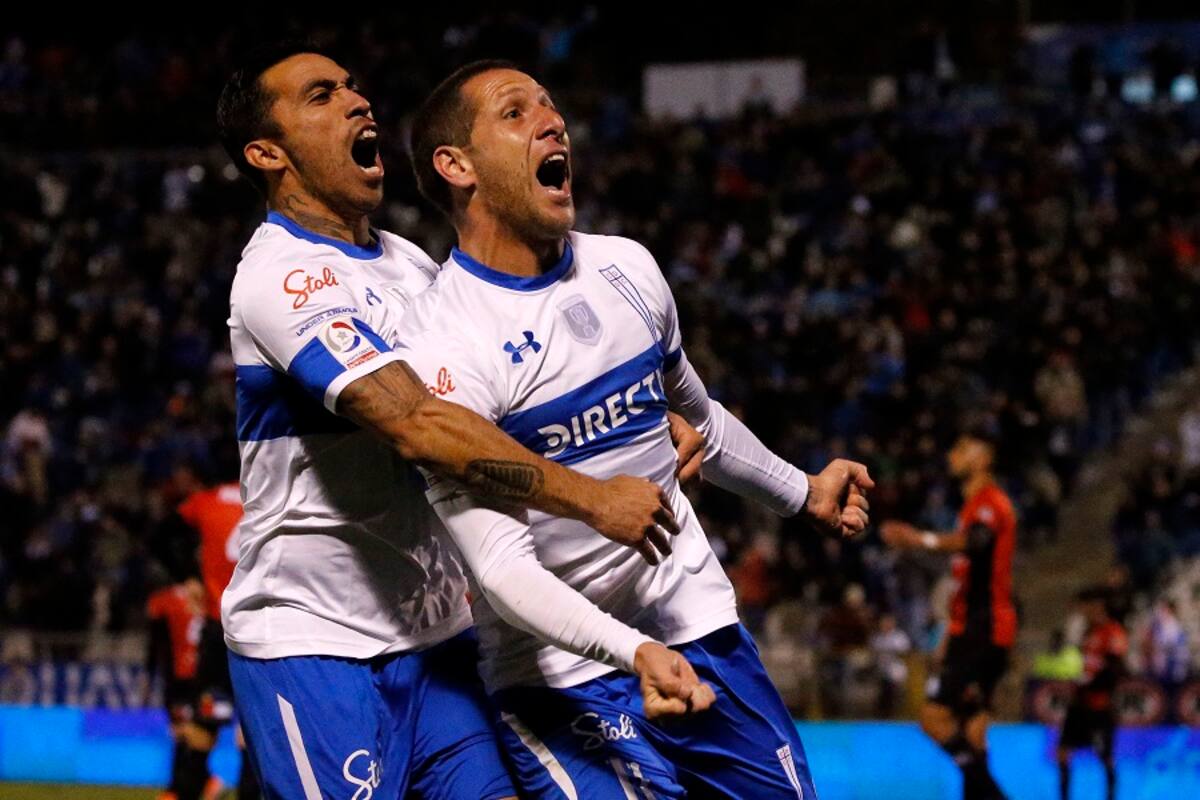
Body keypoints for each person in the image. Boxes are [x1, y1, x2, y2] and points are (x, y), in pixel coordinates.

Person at [216, 41, 711, 800]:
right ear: (266, 152)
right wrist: (591, 494)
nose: (357, 101)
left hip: (438, 640)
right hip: (313, 644)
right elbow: (417, 423)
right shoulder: (282, 277)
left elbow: (499, 399)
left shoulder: (411, 265)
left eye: (353, 86)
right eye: (321, 95)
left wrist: (644, 428)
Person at [400, 59, 874, 798]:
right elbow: (501, 569)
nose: (553, 120)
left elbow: (697, 421)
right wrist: (633, 651)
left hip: (699, 626)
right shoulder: (441, 347)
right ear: (456, 165)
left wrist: (802, 489)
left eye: (551, 105)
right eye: (516, 113)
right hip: (562, 676)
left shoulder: (627, 269)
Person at [881, 428, 1016, 800]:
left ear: (984, 458)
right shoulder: (972, 506)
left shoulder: (991, 502)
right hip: (976, 628)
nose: (952, 455)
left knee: (933, 718)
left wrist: (917, 539)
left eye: (962, 447)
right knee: (972, 730)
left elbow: (977, 543)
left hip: (983, 627)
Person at [1057, 588, 1127, 800]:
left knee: (1105, 756)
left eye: (1091, 606)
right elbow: (1083, 664)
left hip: (1099, 706)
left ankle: (1110, 796)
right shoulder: (1088, 633)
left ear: (1100, 607)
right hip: (1079, 704)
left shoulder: (1113, 632)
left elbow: (1115, 669)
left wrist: (1091, 685)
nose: (1087, 611)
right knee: (1063, 752)